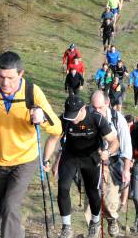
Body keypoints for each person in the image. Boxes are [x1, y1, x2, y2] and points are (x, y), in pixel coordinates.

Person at [0, 51, 62, 238]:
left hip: (25, 160)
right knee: (3, 207)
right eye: (1, 77)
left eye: (10, 78)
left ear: (21, 74)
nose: (5, 83)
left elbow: (57, 128)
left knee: (9, 206)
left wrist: (42, 118)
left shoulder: (32, 92)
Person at [49, 94, 118, 238]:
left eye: (74, 115)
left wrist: (108, 152)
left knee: (92, 191)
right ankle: (66, 227)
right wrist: (46, 160)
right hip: (70, 156)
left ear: (83, 109)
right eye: (69, 115)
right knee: (63, 187)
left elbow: (114, 141)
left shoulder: (97, 118)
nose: (72, 119)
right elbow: (53, 139)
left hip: (91, 157)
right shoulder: (65, 119)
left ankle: (95, 221)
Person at [88, 92, 132, 237]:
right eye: (94, 107)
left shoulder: (117, 118)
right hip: (91, 161)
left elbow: (126, 145)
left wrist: (126, 169)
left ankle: (112, 219)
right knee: (92, 194)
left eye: (100, 107)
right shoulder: (87, 115)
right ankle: (93, 224)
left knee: (110, 195)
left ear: (107, 103)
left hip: (111, 161)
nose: (96, 111)